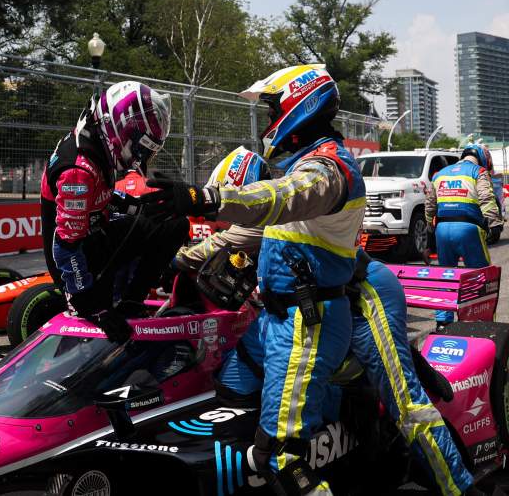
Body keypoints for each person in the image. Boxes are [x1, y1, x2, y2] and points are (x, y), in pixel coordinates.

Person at [178, 151, 474, 495]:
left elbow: (222, 241)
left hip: (366, 294)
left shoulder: (273, 211)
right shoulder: (276, 211)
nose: (230, 221)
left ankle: (459, 485)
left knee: (403, 401)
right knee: (239, 376)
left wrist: (177, 256)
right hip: (321, 306)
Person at [146, 64, 364, 495]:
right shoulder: (304, 163)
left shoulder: (329, 170)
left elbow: (279, 198)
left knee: (279, 457)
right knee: (229, 388)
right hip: (278, 321)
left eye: (273, 110)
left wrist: (206, 197)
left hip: (308, 323)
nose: (268, 122)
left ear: (301, 106)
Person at [40, 80, 189, 343]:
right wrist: (91, 306)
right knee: (104, 338)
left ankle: (131, 302)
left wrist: (138, 206)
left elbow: (100, 198)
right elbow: (66, 247)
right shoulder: (78, 171)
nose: (140, 157)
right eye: (140, 147)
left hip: (95, 235)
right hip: (78, 260)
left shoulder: (94, 140)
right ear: (121, 128)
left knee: (171, 222)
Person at [425, 143, 502, 324]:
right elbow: (486, 198)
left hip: (442, 231)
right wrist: (495, 223)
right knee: (480, 277)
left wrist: (430, 236)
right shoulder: (478, 171)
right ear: (484, 158)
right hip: (469, 230)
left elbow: (429, 206)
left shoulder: (441, 174)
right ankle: (479, 321)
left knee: (447, 278)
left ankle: (443, 322)